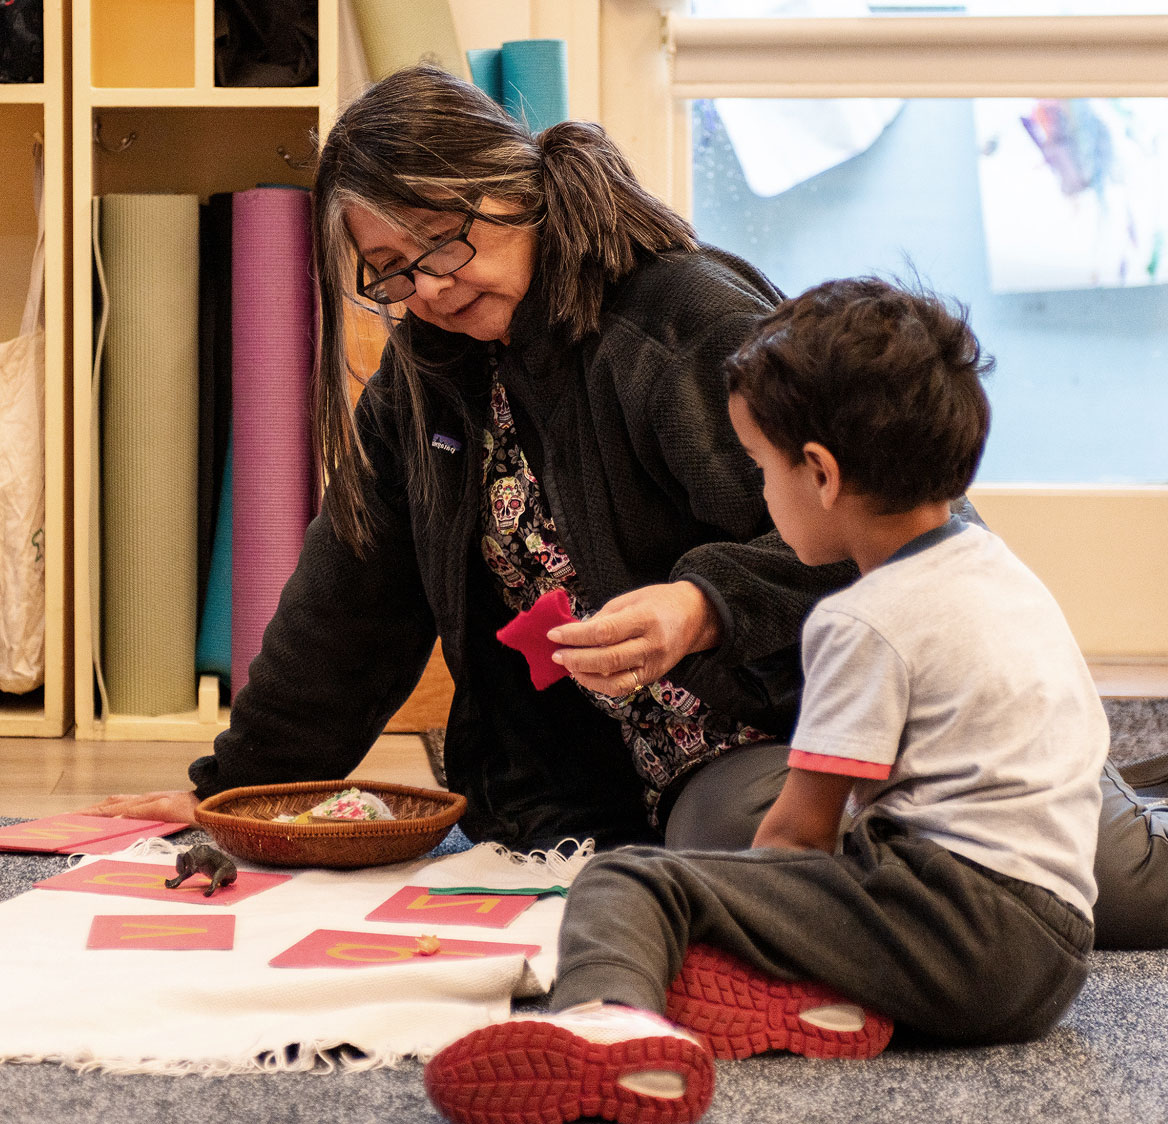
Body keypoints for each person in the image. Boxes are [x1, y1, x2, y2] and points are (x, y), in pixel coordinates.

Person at [86, 65, 1168, 949]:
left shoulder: (674, 314)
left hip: (837, 715)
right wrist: (233, 795)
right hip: (652, 783)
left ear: (509, 181)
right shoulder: (423, 383)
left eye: (442, 237)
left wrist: (700, 606)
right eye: (389, 272)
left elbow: (885, 535)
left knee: (1096, 899)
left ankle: (1103, 794)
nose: (426, 286)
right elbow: (344, 610)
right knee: (718, 856)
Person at [423, 278, 1108, 1124]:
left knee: (633, 882)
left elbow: (798, 837)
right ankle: (824, 1006)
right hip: (1054, 952)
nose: (760, 492)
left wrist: (729, 906)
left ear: (818, 474)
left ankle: (606, 1028)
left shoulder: (861, 620)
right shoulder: (1000, 572)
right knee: (755, 904)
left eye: (760, 469)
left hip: (960, 931)